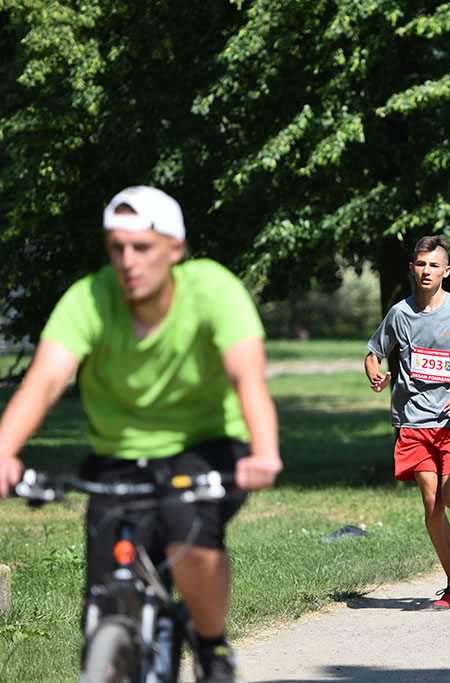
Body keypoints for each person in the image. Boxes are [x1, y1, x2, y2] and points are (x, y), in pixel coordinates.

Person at [0, 186, 283, 682]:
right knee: (106, 606)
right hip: (118, 457)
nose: (127, 261)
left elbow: (247, 375)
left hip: (206, 448)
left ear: (174, 249)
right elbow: (44, 380)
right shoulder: (91, 297)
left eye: (142, 247)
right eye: (117, 247)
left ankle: (213, 650)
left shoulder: (211, 289)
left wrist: (264, 451)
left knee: (191, 534)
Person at [365, 235, 450, 610]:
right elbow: (374, 352)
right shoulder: (399, 313)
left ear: (446, 271)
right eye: (420, 264)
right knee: (433, 505)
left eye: (434, 265)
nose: (427, 271)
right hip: (413, 423)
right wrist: (375, 373)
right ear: (412, 269)